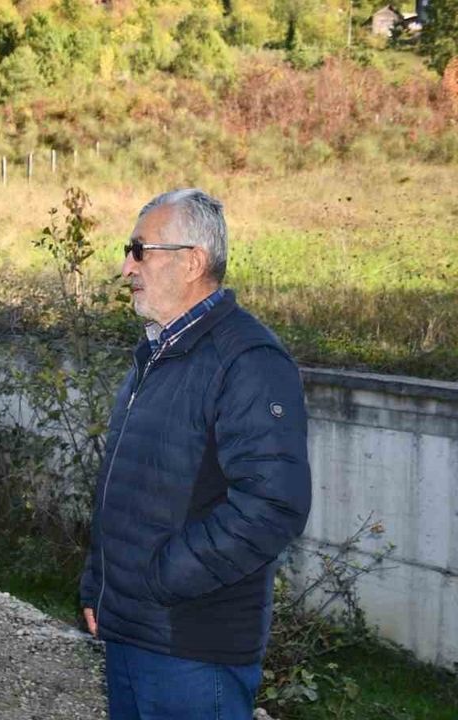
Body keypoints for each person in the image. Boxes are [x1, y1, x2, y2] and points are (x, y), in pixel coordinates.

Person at [79, 189, 312, 720]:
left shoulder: (247, 359)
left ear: (192, 262)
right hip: (132, 629)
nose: (127, 267)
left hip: (191, 647)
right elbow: (126, 486)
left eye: (140, 250)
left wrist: (162, 578)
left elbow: (274, 505)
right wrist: (100, 582)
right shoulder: (158, 353)